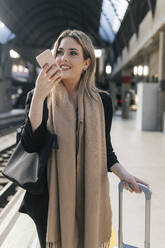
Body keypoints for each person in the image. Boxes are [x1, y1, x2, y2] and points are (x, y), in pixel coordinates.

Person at [18, 30, 150, 248]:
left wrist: (124, 174)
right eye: (59, 52)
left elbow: (105, 150)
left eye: (72, 53)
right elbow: (29, 145)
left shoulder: (102, 102)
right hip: (51, 202)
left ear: (86, 62)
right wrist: (40, 95)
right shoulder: (37, 97)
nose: (63, 59)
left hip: (90, 198)